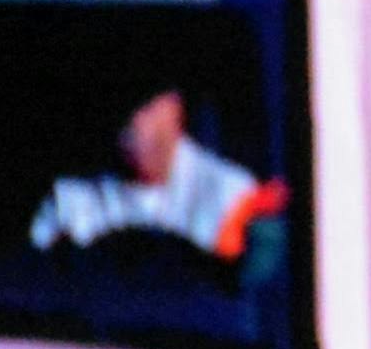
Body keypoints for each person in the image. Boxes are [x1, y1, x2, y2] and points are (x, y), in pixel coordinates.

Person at [27, 84, 280, 257]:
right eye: (122, 102)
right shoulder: (68, 197)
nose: (132, 121)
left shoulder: (233, 196)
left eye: (144, 104)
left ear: (174, 107)